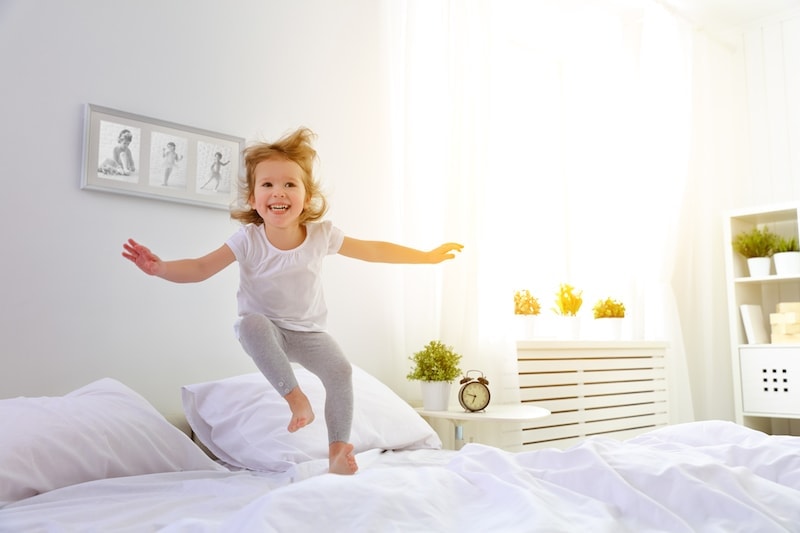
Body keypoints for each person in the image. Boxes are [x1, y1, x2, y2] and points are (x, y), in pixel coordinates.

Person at [122, 127, 463, 475]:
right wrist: (160, 267)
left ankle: (337, 450)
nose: (278, 192)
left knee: (341, 372)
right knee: (250, 322)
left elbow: (372, 250)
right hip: (266, 332)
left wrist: (426, 256)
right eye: (267, 185)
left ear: (307, 196)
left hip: (309, 333)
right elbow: (199, 268)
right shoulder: (247, 240)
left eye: (289, 184)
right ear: (253, 199)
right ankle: (295, 400)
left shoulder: (321, 235)